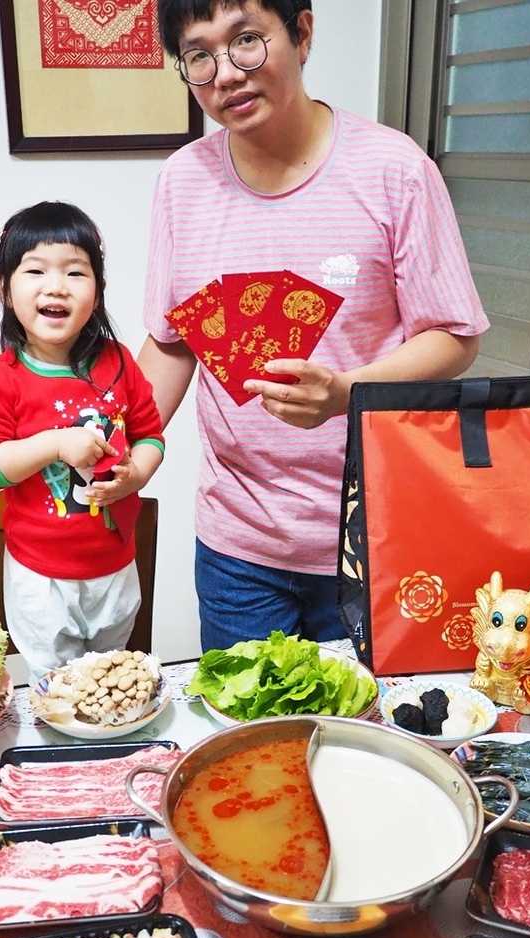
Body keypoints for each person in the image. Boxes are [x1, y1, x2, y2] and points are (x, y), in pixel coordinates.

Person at [139, 0, 489, 652]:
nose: (227, 73)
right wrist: (121, 444)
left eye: (247, 40)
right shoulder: (182, 181)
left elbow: (455, 335)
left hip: (371, 529)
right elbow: (171, 343)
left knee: (360, 736)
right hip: (235, 540)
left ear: (300, 34)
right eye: (199, 56)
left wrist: (345, 390)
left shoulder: (395, 170)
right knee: (246, 737)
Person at [0, 201, 165, 680]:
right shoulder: (1, 377)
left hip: (116, 564)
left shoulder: (117, 362)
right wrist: (55, 444)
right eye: (35, 271)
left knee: (110, 677)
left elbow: (151, 435)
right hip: (42, 576)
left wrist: (137, 472)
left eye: (75, 272)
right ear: (4, 290)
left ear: (98, 290)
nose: (55, 286)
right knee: (55, 686)